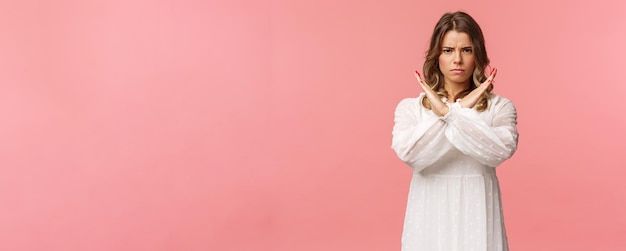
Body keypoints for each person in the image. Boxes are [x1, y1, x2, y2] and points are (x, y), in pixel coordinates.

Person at [391, 11, 519, 251]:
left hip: (478, 213)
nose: (457, 59)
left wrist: (452, 113)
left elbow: (499, 151)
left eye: (466, 50)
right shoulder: (411, 108)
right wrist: (456, 111)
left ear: (477, 55)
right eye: (448, 50)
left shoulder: (500, 107)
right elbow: (411, 155)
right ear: (436, 56)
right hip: (428, 215)